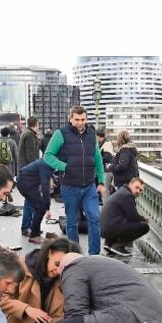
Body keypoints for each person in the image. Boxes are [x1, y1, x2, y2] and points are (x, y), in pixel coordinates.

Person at [43, 106, 106, 255]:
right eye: (77, 119)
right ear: (70, 118)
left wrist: (101, 181)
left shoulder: (91, 134)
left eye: (83, 119)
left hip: (89, 186)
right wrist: (64, 166)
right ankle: (75, 255)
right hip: (69, 186)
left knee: (95, 219)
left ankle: (94, 255)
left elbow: (97, 158)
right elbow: (48, 156)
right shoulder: (60, 134)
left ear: (86, 119)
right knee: (71, 223)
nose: (80, 123)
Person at [0, 238, 79, 323]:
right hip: (16, 321)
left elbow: (58, 316)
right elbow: (0, 298)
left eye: (63, 268)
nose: (58, 271)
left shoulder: (63, 278)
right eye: (57, 264)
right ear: (49, 253)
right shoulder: (21, 266)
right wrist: (27, 309)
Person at [101, 177, 149, 257]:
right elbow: (133, 216)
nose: (138, 191)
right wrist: (144, 219)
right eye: (136, 187)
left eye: (140, 190)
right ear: (130, 185)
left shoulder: (122, 191)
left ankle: (109, 244)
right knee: (144, 226)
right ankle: (118, 246)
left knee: (123, 221)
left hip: (104, 229)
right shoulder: (127, 195)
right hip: (110, 228)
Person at [15, 155, 54, 244]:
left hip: (29, 182)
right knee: (40, 207)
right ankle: (34, 235)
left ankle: (32, 228)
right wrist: (47, 208)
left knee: (33, 203)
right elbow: (45, 188)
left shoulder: (47, 161)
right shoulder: (46, 165)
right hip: (25, 183)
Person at [17, 117, 41, 236]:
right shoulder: (30, 135)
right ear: (36, 124)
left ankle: (31, 226)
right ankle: (26, 227)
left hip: (25, 171)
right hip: (29, 173)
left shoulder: (25, 133)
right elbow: (31, 155)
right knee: (31, 200)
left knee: (31, 200)